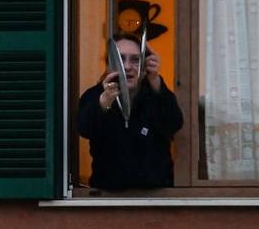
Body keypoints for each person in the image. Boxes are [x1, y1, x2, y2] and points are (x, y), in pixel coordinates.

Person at [76, 33, 183, 191]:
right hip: (108, 197)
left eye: (135, 60)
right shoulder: (95, 95)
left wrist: (155, 81)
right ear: (109, 64)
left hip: (156, 197)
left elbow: (174, 124)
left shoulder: (156, 91)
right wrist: (104, 102)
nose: (127, 66)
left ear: (145, 64)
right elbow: (85, 129)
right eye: (120, 59)